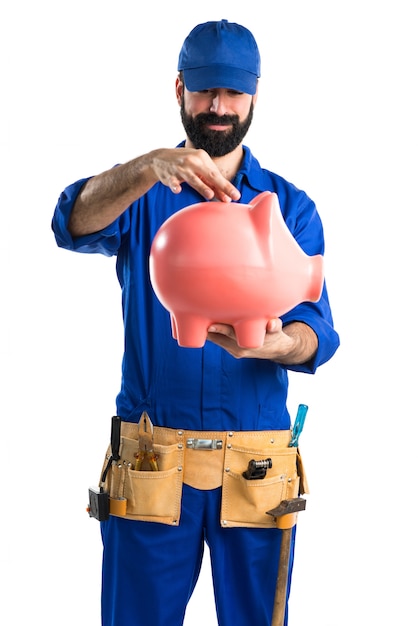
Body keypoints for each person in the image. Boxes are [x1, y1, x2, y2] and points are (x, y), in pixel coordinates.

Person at [52, 19, 340, 626]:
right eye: (205, 90)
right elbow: (70, 223)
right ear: (179, 88)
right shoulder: (143, 195)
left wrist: (278, 344)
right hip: (153, 462)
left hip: (255, 467)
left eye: (232, 93)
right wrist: (145, 167)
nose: (218, 107)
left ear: (254, 96)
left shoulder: (289, 207)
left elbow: (317, 329)